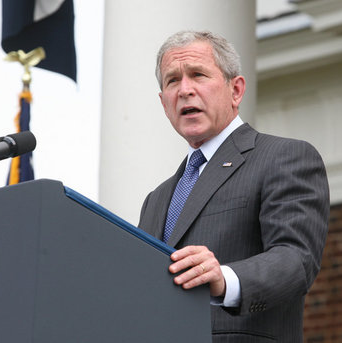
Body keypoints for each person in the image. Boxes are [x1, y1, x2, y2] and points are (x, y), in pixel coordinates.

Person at [138, 30, 330, 342]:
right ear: (163, 103)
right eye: (172, 80)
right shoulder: (156, 199)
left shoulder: (284, 157)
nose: (185, 90)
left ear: (236, 90)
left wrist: (224, 280)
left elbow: (296, 259)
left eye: (198, 75)